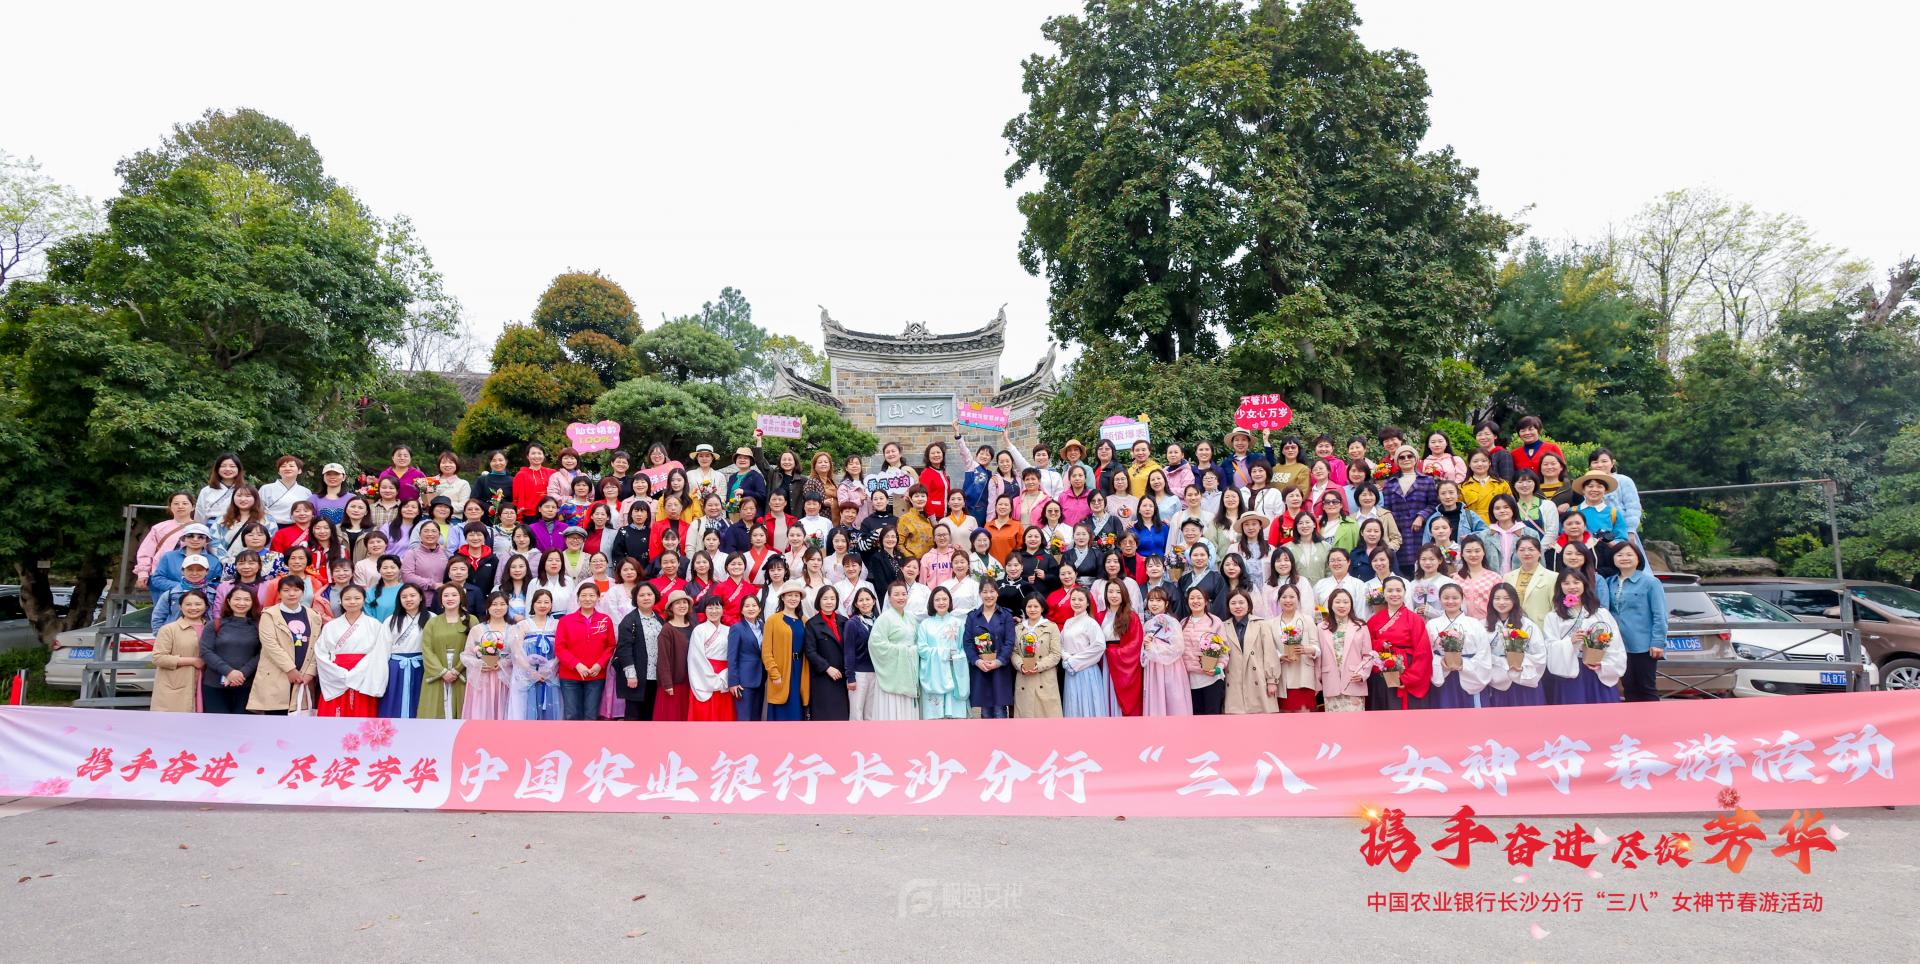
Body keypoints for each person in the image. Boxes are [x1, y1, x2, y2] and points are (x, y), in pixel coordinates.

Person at [1543, 569, 1625, 705]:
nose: (1572, 587)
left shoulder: (1601, 613)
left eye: (1576, 582)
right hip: (1569, 669)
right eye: (1566, 583)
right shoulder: (1553, 617)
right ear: (1560, 587)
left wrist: (1604, 664)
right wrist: (1570, 642)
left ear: (1584, 585)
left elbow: (1615, 642)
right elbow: (1549, 645)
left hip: (1596, 668)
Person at [311, 585, 392, 717]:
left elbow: (380, 652)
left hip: (365, 673)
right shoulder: (330, 626)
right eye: (347, 598)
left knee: (362, 713)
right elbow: (321, 653)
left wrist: (358, 671)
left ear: (364, 600)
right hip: (336, 674)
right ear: (341, 601)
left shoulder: (375, 624)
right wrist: (338, 673)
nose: (352, 602)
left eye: (357, 598)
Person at [1604, 542, 1667, 703]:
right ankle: (1634, 719)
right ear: (1613, 559)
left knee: (1646, 687)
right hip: (1619, 644)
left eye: (1629, 554)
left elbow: (1660, 615)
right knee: (1628, 687)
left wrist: (1658, 642)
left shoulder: (1650, 583)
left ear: (1638, 558)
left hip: (1643, 645)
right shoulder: (1610, 582)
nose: (1624, 558)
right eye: (1619, 555)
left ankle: (1653, 718)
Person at [250, 578, 319, 715]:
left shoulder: (313, 615)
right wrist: (290, 669)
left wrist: (311, 671)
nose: (291, 594)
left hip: (304, 677)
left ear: (303, 592)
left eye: (296, 590)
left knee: (299, 722)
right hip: (276, 674)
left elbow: (317, 645)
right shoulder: (269, 615)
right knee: (275, 719)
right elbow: (270, 645)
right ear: (279, 593)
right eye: (286, 590)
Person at [1365, 576, 1432, 711]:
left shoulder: (1414, 619)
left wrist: (1408, 678)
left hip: (1407, 668)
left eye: (1398, 590)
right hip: (1382, 670)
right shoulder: (1374, 620)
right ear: (1384, 593)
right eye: (1390, 591)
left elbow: (1423, 652)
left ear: (1405, 592)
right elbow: (1366, 645)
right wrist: (1380, 644)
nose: (1394, 594)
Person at [1421, 583, 1490, 709]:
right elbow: (1427, 651)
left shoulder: (1475, 623)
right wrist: (1439, 661)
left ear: (1462, 599)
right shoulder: (1432, 624)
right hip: (1442, 674)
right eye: (1446, 598)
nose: (1450, 601)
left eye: (1455, 598)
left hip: (1470, 674)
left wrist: (1464, 664)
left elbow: (1483, 652)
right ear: (1440, 599)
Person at [555, 583, 615, 720]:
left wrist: (599, 664)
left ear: (598, 598)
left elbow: (611, 646)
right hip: (570, 676)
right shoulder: (565, 620)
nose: (588, 599)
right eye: (584, 595)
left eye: (592, 595)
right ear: (578, 598)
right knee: (571, 715)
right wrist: (576, 665)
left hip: (595, 675)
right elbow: (559, 648)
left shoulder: (605, 620)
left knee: (591, 715)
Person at [198, 585, 261, 715]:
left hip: (247, 685)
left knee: (244, 724)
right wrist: (229, 672)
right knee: (218, 724)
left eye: (246, 599)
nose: (241, 603)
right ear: (228, 601)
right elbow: (206, 651)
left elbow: (262, 653)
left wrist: (242, 673)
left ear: (253, 602)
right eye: (237, 599)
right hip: (215, 684)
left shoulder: (259, 626)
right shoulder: (215, 624)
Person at [1482, 583, 1547, 708]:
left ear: (1514, 600)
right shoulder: (1482, 625)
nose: (1501, 602)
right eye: (1497, 598)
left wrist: (1518, 663)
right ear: (1491, 601)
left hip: (1523, 680)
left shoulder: (1528, 625)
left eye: (1507, 598)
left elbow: (1539, 655)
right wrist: (1502, 663)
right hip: (1496, 681)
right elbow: (1480, 654)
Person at [867, 581, 923, 720]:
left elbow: (918, 641)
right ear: (889, 598)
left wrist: (913, 650)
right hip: (891, 672)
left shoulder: (911, 618)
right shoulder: (884, 618)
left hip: (908, 671)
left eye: (904, 594)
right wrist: (904, 650)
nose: (901, 597)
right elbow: (875, 644)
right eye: (896, 594)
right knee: (892, 711)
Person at [1219, 589, 1281, 714]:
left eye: (1241, 602)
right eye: (1233, 603)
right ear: (1228, 606)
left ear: (1249, 605)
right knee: (1237, 721)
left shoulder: (1261, 624)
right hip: (1234, 680)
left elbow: (1270, 653)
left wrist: (1272, 681)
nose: (1237, 606)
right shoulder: (1223, 626)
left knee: (1261, 720)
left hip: (1258, 678)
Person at [914, 586, 970, 719]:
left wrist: (957, 657)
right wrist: (944, 654)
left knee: (955, 719)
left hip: (953, 670)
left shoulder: (958, 623)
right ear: (932, 602)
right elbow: (922, 649)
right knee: (935, 720)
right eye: (937, 599)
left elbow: (964, 648)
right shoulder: (925, 624)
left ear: (950, 601)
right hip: (934, 673)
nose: (941, 602)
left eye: (944, 599)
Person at [150, 590, 210, 713]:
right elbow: (158, 658)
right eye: (188, 604)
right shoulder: (169, 629)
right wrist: (192, 661)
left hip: (206, 683)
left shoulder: (211, 628)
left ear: (206, 606)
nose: (193, 608)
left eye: (198, 604)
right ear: (180, 606)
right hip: (176, 685)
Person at [509, 589, 565, 721]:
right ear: (532, 604)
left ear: (551, 605)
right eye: (539, 602)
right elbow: (516, 652)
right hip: (527, 676)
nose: (542, 605)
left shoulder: (558, 624)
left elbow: (563, 648)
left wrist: (551, 667)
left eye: (546, 602)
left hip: (551, 675)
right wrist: (531, 671)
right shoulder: (522, 625)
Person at [1316, 588, 1374, 712]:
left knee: (1355, 722)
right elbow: (1319, 657)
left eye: (1346, 602)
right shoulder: (1321, 627)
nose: (1342, 605)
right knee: (1333, 722)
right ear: (1330, 604)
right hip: (1331, 681)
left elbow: (1368, 655)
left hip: (1354, 680)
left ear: (1351, 605)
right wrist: (1317, 681)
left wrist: (1362, 673)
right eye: (1337, 602)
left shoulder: (1360, 626)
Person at [419, 585, 473, 719]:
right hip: (437, 670)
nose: (450, 598)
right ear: (441, 600)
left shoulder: (471, 620)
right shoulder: (432, 622)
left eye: (454, 595)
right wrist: (442, 672)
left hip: (462, 670)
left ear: (461, 598)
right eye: (446, 595)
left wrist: (457, 670)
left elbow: (472, 648)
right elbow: (427, 649)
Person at [965, 581, 1016, 718]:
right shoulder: (972, 617)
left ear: (997, 593)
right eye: (985, 592)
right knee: (985, 712)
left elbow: (1010, 641)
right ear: (980, 594)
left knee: (1000, 711)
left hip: (1000, 668)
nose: (989, 595)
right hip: (981, 668)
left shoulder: (1006, 615)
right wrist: (977, 661)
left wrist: (999, 661)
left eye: (992, 591)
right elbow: (968, 642)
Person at [1058, 587, 1111, 718]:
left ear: (1088, 603)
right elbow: (1060, 644)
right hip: (1070, 670)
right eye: (1073, 599)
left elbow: (1099, 646)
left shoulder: (1091, 623)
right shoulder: (1068, 622)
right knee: (1073, 703)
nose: (1076, 602)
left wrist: (1075, 661)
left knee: (1088, 703)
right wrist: (1067, 657)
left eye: (1080, 600)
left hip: (1087, 671)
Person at [802, 586, 854, 720]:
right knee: (825, 716)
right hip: (823, 677)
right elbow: (810, 651)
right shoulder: (812, 624)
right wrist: (827, 668)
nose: (829, 602)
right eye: (825, 598)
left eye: (832, 598)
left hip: (843, 676)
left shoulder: (844, 621)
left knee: (842, 717)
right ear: (819, 601)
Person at [760, 582, 809, 721]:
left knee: (798, 707)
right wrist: (774, 673)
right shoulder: (773, 620)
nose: (793, 598)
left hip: (800, 669)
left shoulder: (804, 621)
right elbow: (766, 651)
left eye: (796, 596)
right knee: (782, 708)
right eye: (789, 595)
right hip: (781, 670)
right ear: (782, 597)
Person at [1010, 595, 1064, 718]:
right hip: (1024, 678)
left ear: (1042, 608)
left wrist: (1038, 666)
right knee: (1026, 721)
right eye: (1029, 606)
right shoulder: (1018, 628)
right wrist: (1021, 665)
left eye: (1036, 606)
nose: (1032, 609)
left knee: (1047, 720)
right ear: (1025, 608)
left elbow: (1056, 654)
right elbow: (1014, 652)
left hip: (1044, 679)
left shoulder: (1051, 627)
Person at [1268, 582, 1318, 713]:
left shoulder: (1307, 620)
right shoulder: (1271, 624)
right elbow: (1269, 649)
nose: (1288, 600)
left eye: (1292, 597)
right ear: (1279, 600)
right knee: (1284, 716)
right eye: (1284, 597)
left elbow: (1317, 647)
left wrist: (1307, 649)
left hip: (1303, 676)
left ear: (1298, 599)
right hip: (1282, 676)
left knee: (1304, 714)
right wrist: (1279, 656)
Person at [135, 493, 198, 593]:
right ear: (170, 507)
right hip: (160, 575)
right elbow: (145, 552)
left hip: (191, 575)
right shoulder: (159, 528)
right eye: (176, 503)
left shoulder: (200, 529)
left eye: (185, 503)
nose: (180, 506)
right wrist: (143, 573)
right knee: (161, 603)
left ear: (193, 507)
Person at [686, 595, 734, 721]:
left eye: (717, 607)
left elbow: (733, 656)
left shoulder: (729, 630)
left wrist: (726, 674)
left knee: (723, 714)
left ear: (723, 610)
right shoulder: (699, 630)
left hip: (725, 674)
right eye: (710, 608)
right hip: (703, 674)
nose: (714, 611)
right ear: (705, 610)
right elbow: (696, 658)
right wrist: (711, 679)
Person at [1099, 581, 1144, 717]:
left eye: (1118, 592)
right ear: (1105, 594)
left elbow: (1135, 643)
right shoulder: (1100, 616)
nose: (1114, 595)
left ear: (1124, 594)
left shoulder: (1131, 616)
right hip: (1103, 659)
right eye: (1110, 591)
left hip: (1120, 660)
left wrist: (1113, 653)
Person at [726, 593, 768, 721]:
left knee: (756, 717)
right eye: (747, 606)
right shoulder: (736, 628)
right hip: (744, 681)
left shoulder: (763, 626)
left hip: (761, 678)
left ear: (759, 609)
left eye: (754, 605)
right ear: (741, 610)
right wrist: (733, 682)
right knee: (744, 718)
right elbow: (732, 657)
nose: (751, 609)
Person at [1502, 537, 1556, 625]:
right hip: (1514, 626)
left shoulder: (1553, 577)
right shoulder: (1508, 577)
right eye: (1522, 550)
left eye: (1531, 549)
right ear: (1517, 553)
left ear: (1540, 552)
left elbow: (1555, 607)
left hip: (1541, 626)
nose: (1526, 553)